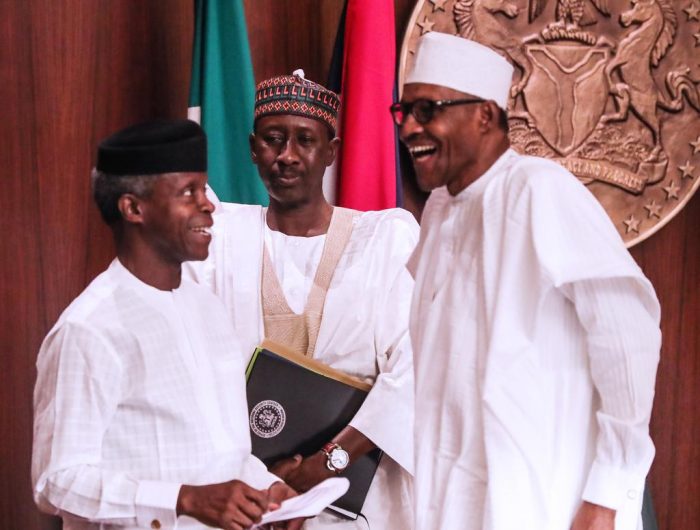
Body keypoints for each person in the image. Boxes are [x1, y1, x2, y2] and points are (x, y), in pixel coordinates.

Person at [394, 33, 662, 530]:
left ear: (485, 115)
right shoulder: (439, 210)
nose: (409, 127)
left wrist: (607, 491)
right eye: (404, 111)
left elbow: (629, 337)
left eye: (428, 109)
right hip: (447, 497)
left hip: (543, 497)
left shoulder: (539, 189)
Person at [32, 120, 301, 530]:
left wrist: (265, 489)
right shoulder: (90, 329)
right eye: (188, 192)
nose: (208, 204)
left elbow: (220, 454)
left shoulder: (208, 309)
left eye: (205, 188)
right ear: (133, 208)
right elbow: (58, 480)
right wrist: (181, 500)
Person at [185, 72, 417, 529]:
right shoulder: (219, 241)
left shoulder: (380, 243)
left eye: (305, 140)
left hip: (354, 499)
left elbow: (414, 371)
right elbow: (194, 371)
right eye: (273, 140)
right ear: (253, 149)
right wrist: (262, 483)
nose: (287, 156)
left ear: (331, 151)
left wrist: (324, 465)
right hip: (244, 498)